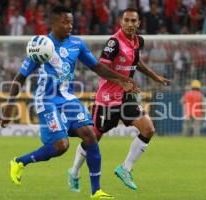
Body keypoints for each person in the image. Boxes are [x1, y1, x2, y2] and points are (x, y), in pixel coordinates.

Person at [0, 5, 138, 199]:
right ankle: (19, 162)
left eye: (72, 21)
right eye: (65, 22)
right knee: (61, 146)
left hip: (68, 98)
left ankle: (96, 191)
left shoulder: (76, 43)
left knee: (90, 135)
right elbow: (19, 78)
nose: (70, 25)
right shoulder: (42, 45)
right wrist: (8, 107)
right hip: (46, 100)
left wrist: (121, 80)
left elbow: (97, 67)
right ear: (53, 23)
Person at [67, 8, 171, 192]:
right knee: (93, 138)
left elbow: (136, 62)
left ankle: (125, 169)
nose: (130, 24)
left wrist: (155, 77)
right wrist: (121, 81)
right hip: (106, 99)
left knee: (148, 129)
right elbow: (100, 67)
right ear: (120, 22)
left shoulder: (139, 41)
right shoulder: (113, 43)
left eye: (134, 21)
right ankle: (74, 171)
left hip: (126, 96)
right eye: (127, 20)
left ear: (139, 23)